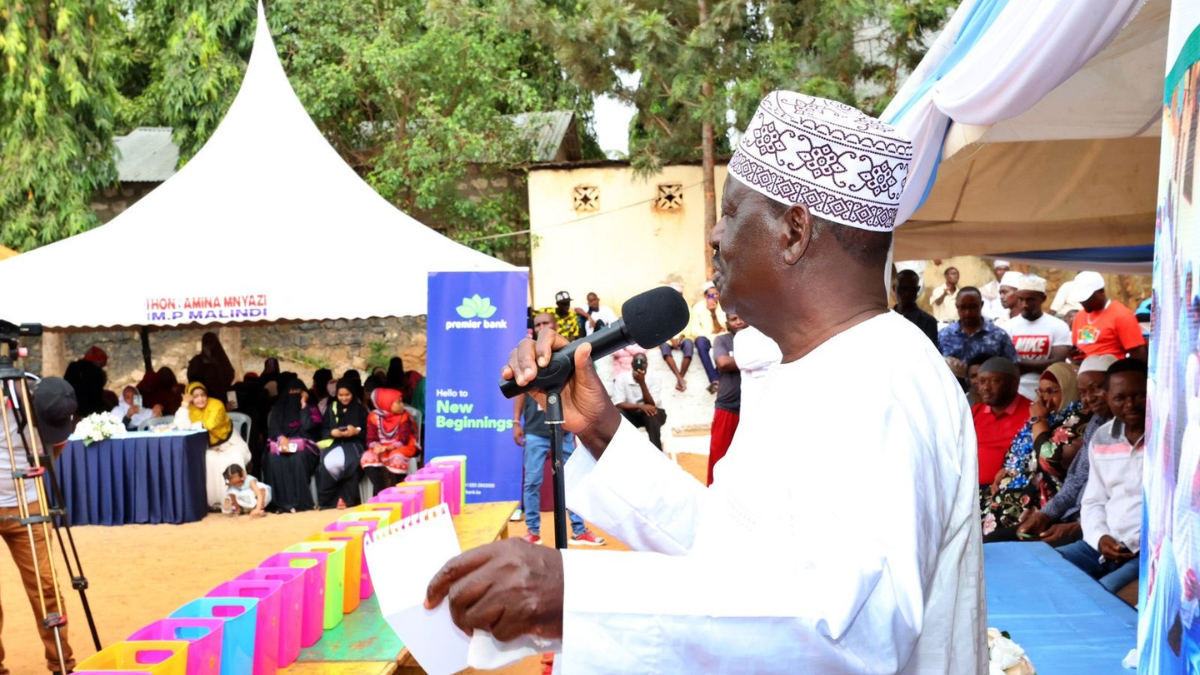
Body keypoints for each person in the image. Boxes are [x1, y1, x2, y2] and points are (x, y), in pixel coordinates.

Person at [424, 92, 983, 674]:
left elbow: (849, 632)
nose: (714, 235)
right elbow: (730, 551)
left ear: (794, 232)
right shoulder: (816, 366)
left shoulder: (877, 382)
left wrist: (579, 595)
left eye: (733, 213)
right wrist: (601, 430)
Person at [0, 378, 78, 674]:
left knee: (45, 587)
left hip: (29, 505)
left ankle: (61, 663)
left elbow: (51, 457)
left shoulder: (54, 409)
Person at [512, 313, 606, 547]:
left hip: (565, 431)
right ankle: (533, 531)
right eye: (537, 325)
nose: (542, 327)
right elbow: (520, 394)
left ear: (555, 327)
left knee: (573, 481)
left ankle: (580, 531)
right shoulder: (528, 359)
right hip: (535, 431)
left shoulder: (568, 356)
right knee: (532, 482)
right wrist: (516, 422)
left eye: (546, 324)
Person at [1057, 359, 1147, 594]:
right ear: (1108, 397)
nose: (1130, 404)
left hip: (1146, 552)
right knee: (1047, 570)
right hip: (1104, 544)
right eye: (1120, 398)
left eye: (1139, 395)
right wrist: (1100, 538)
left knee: (1105, 595)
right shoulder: (1102, 437)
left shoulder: (1169, 437)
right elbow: (1093, 500)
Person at [1017, 355, 1117, 546]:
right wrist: (1045, 516)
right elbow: (1077, 480)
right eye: (1083, 392)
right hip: (1073, 514)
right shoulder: (1096, 423)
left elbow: (1050, 459)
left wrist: (1078, 526)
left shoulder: (1083, 420)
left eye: (1096, 388)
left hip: (1099, 528)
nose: (1089, 399)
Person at [982, 363, 1085, 540]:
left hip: (1047, 505)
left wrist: (1038, 421)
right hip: (1012, 496)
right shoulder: (1048, 417)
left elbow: (1050, 461)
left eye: (1052, 391)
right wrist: (1005, 470)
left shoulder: (1079, 421)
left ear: (1069, 389)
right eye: (1041, 392)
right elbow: (1015, 452)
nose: (1045, 399)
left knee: (992, 542)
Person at [173, 382, 252, 511]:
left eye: (202, 395)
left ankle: (240, 501)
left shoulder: (216, 405)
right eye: (195, 396)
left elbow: (209, 425)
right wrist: (184, 404)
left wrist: (191, 426)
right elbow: (180, 425)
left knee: (233, 458)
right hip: (208, 446)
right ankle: (215, 502)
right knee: (207, 461)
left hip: (229, 443)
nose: (200, 399)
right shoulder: (189, 408)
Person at [971, 357, 1031, 509]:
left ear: (1014, 383)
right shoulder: (975, 412)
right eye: (982, 381)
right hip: (971, 491)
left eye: (994, 381)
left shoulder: (1031, 412)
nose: (986, 387)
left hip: (1008, 492)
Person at [1004, 275, 1073, 401]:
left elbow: (1056, 363)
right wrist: (1040, 365)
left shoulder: (1058, 326)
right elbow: (1006, 364)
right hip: (1016, 394)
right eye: (1021, 299)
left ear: (1043, 299)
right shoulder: (1008, 327)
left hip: (1049, 395)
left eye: (1030, 300)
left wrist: (1019, 364)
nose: (1024, 304)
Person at [261, 377, 321, 513]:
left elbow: (308, 426)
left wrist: (304, 404)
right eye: (291, 391)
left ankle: (299, 502)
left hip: (305, 446)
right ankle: (279, 503)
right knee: (273, 458)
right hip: (281, 444)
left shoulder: (312, 408)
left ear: (304, 392)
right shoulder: (279, 408)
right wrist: (281, 438)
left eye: (298, 391)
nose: (294, 394)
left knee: (297, 458)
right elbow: (274, 428)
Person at [1068, 271, 1148, 362]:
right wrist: (1072, 354)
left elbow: (1138, 356)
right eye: (1080, 299)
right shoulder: (1079, 316)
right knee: (1056, 369)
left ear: (1101, 291)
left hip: (1107, 367)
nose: (1083, 303)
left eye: (1087, 299)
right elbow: (1076, 347)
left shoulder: (1122, 315)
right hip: (1080, 366)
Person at [318, 378, 369, 509]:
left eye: (347, 395)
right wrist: (332, 433)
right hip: (335, 443)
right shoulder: (331, 409)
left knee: (351, 462)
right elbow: (323, 429)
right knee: (327, 463)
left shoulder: (361, 410)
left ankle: (346, 499)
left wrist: (355, 432)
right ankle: (328, 501)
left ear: (353, 394)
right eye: (340, 395)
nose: (344, 398)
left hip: (355, 444)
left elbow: (368, 433)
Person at [707, 313, 745, 485]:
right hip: (728, 406)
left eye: (741, 317)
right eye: (733, 319)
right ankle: (714, 495)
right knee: (719, 456)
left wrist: (736, 362)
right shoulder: (722, 340)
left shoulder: (761, 339)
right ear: (727, 323)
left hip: (754, 406)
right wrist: (756, 360)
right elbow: (723, 362)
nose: (739, 322)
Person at [938, 287, 1019, 364]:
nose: (967, 312)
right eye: (963, 307)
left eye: (973, 307)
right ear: (956, 306)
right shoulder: (943, 335)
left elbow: (1012, 365)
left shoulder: (998, 335)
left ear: (981, 304)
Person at [360, 387, 418, 494]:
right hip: (382, 446)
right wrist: (376, 446)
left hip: (401, 446)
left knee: (397, 457)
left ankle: (398, 488)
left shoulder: (404, 416)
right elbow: (371, 438)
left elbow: (403, 438)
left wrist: (390, 447)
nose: (402, 405)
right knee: (367, 457)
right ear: (386, 403)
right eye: (398, 402)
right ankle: (380, 489)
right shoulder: (373, 416)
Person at [612, 352, 668, 451]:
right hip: (632, 414)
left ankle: (657, 452)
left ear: (647, 364)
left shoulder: (654, 377)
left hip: (653, 414)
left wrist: (642, 383)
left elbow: (651, 404)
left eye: (643, 362)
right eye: (637, 362)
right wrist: (641, 407)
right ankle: (625, 451)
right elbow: (618, 403)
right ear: (632, 364)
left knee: (651, 413)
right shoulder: (622, 378)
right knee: (618, 413)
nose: (640, 365)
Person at [687, 281, 728, 393]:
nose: (714, 297)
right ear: (705, 296)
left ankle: (720, 380)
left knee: (722, 344)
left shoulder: (723, 306)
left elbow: (722, 328)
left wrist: (713, 313)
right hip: (705, 337)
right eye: (711, 295)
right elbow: (695, 329)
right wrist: (709, 335)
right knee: (700, 342)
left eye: (716, 294)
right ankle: (714, 379)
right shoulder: (698, 307)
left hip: (720, 337)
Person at [734, 323, 782, 411]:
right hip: (755, 393)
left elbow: (786, 356)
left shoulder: (779, 332)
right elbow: (744, 362)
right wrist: (776, 358)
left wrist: (759, 366)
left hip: (780, 388)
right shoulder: (742, 336)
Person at [892, 268, 938, 348]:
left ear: (917, 290)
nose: (906, 294)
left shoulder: (928, 322)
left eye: (911, 289)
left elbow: (930, 354)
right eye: (903, 289)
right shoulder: (885, 319)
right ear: (894, 289)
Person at [186, 332, 236, 407]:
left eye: (211, 342)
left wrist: (214, 364)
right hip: (202, 398)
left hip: (221, 398)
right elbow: (192, 379)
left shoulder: (222, 359)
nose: (209, 345)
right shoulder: (197, 360)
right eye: (207, 342)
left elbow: (229, 375)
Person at [62, 347, 107, 417]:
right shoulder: (96, 372)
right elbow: (97, 396)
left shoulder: (72, 367)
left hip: (71, 410)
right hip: (90, 412)